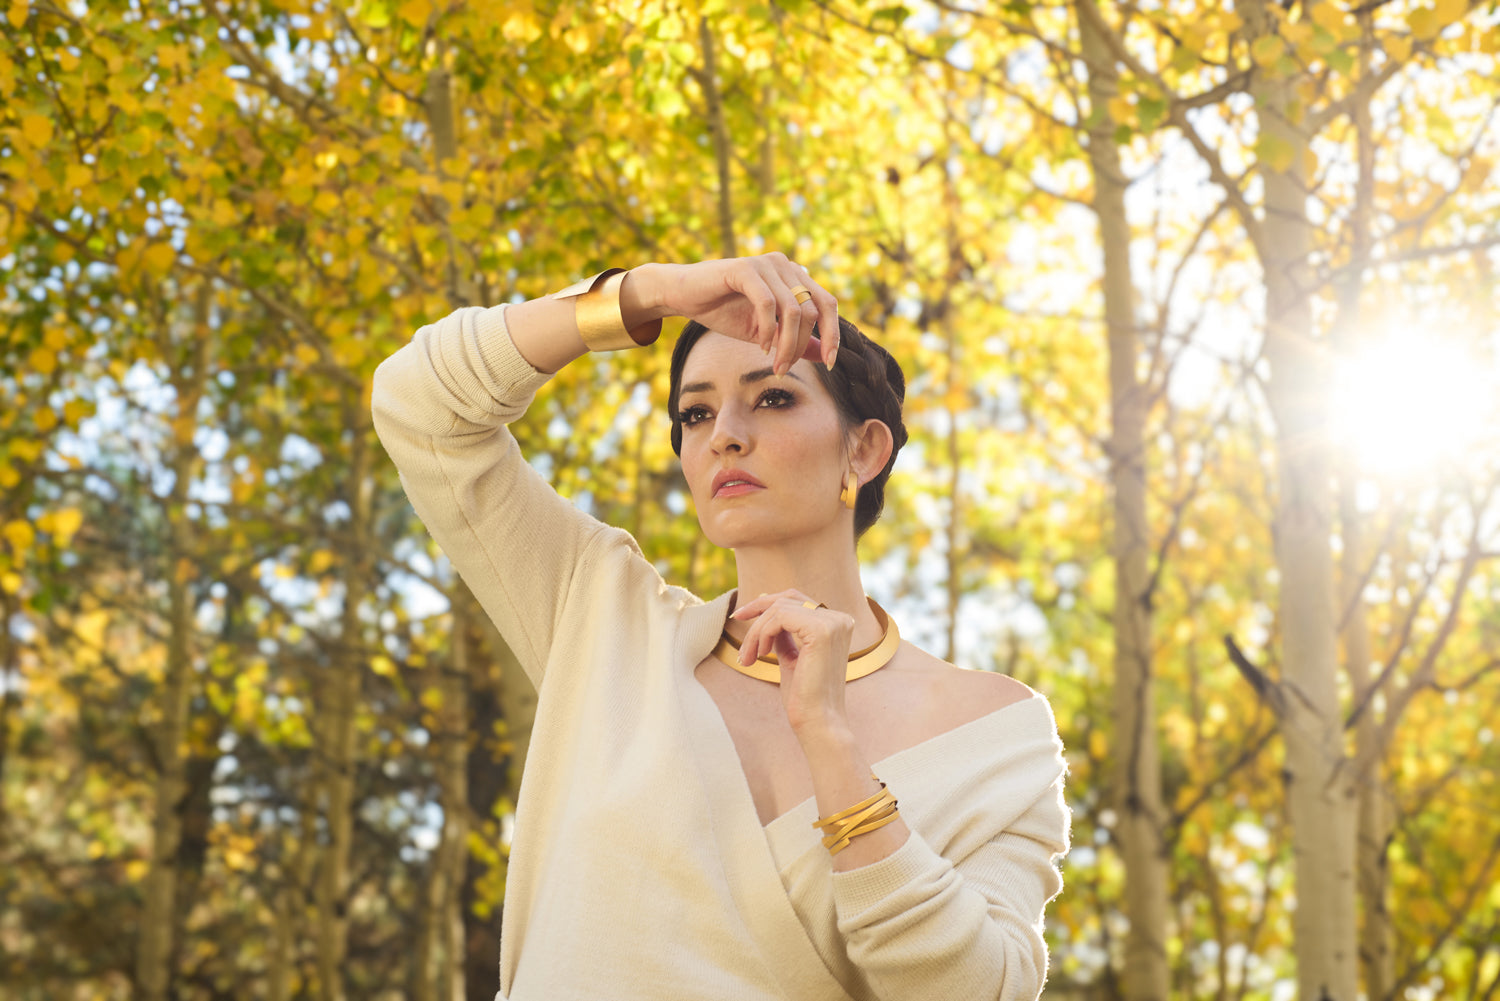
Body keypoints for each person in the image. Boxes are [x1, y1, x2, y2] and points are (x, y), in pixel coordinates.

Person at [370, 253, 1071, 1001]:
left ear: (863, 449)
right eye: (695, 412)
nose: (724, 435)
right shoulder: (603, 621)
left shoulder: (996, 735)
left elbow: (979, 990)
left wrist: (831, 741)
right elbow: (421, 407)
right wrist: (652, 294)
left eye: (771, 398)